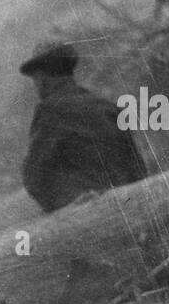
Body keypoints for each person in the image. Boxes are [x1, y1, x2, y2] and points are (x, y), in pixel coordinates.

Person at [19, 42, 148, 212]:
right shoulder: (108, 107)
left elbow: (33, 177)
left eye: (35, 78)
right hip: (132, 206)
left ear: (42, 78)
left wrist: (60, 208)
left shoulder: (50, 111)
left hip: (89, 214)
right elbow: (137, 169)